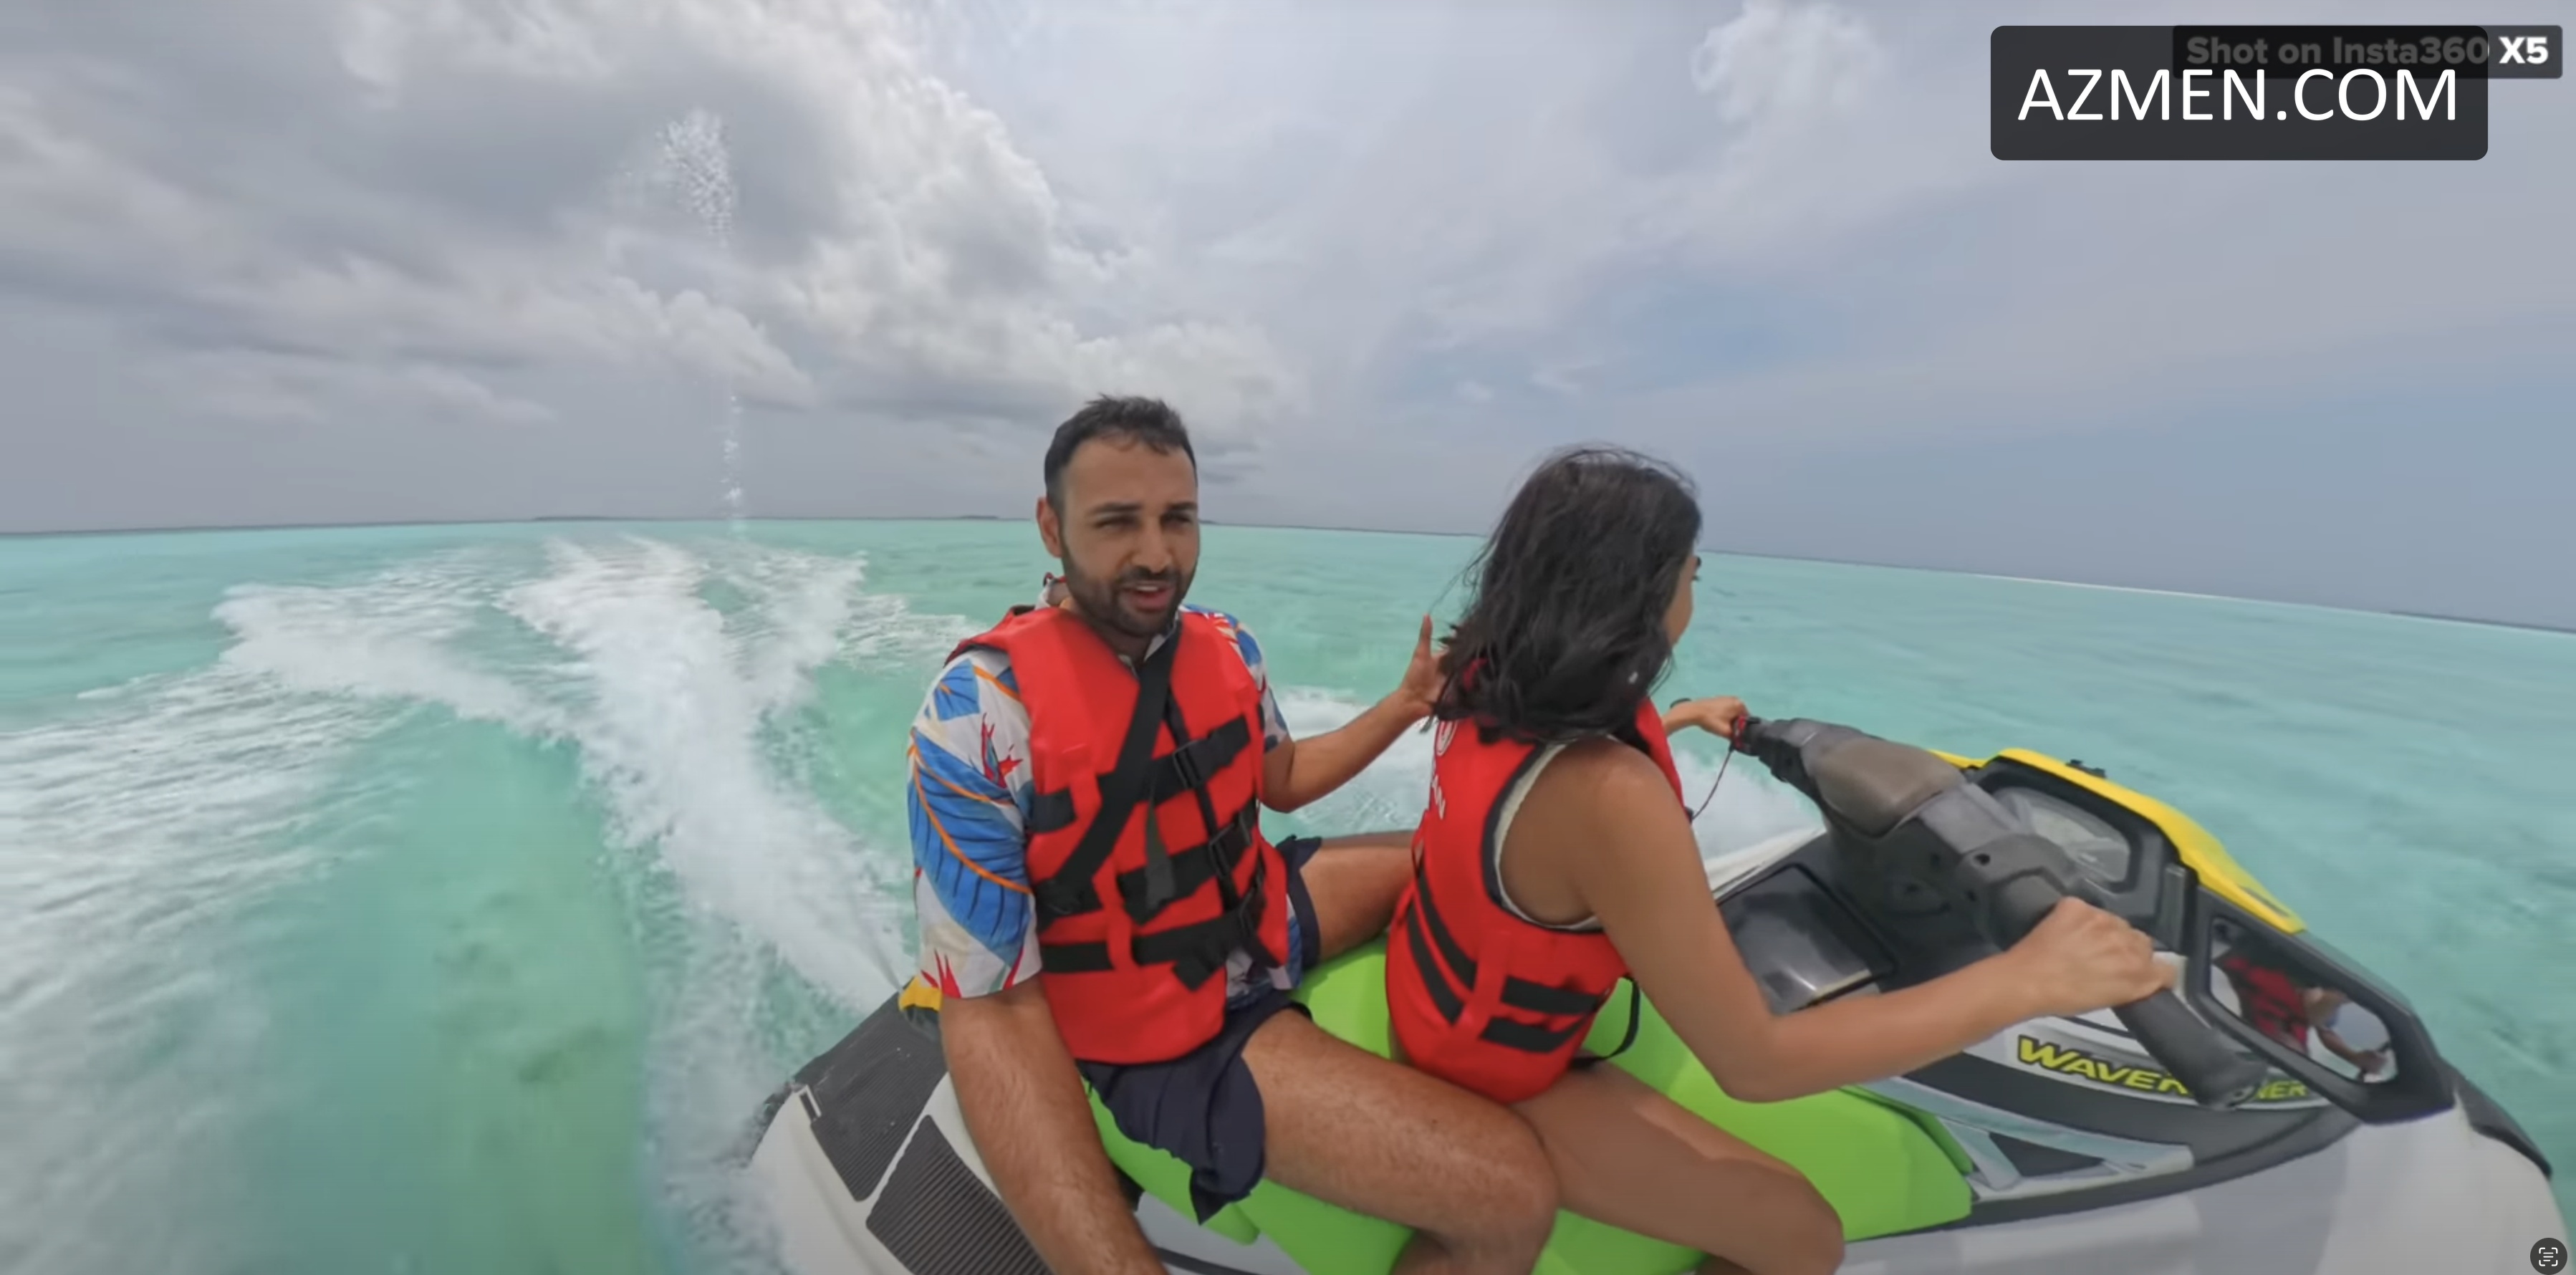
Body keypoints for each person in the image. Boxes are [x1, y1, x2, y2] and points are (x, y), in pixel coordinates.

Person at [1382, 445, 2178, 1275]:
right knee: (1801, 1236)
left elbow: (1547, 781)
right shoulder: (1607, 796)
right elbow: (1755, 1064)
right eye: (1690, 575)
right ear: (1641, 592)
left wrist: (1676, 718)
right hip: (1494, 1071)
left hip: (1434, 993)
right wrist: (2032, 979)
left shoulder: (1484, 677)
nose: (1690, 595)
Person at [906, 395, 1562, 1275]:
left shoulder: (1224, 645)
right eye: (1116, 522)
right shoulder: (977, 718)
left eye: (1176, 519)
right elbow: (989, 1011)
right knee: (1511, 1198)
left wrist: (1406, 705)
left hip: (1254, 914)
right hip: (1153, 1026)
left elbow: (1279, 779)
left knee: (1473, 854)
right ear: (1051, 527)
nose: (1155, 554)